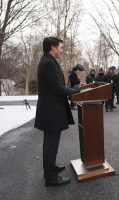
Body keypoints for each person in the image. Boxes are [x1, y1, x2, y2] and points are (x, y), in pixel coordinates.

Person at [34, 37, 80, 186]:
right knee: (50, 145)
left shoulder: (49, 61)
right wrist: (74, 90)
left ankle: (51, 168)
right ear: (52, 48)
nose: (62, 50)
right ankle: (51, 178)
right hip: (51, 112)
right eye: (60, 47)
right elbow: (57, 88)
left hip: (51, 111)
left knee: (50, 144)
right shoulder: (48, 63)